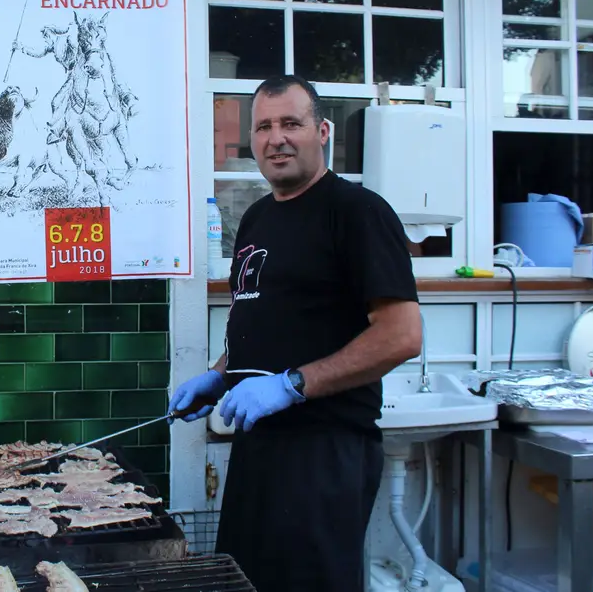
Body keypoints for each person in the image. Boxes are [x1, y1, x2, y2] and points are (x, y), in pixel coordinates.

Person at [170, 75, 422, 591]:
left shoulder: (357, 212)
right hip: (259, 447)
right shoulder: (259, 217)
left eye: (291, 123)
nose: (275, 138)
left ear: (322, 130)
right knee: (246, 582)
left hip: (324, 450)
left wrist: (291, 385)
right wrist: (220, 376)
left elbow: (401, 335)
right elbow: (268, 320)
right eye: (263, 126)